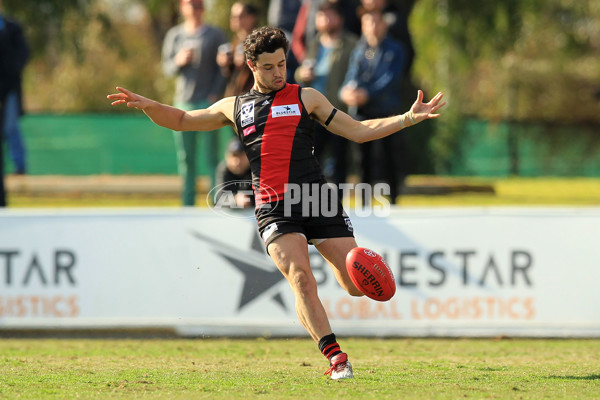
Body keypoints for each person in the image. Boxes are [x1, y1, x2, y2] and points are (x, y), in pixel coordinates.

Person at [108, 26, 445, 379]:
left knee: (354, 285)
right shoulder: (234, 106)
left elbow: (358, 131)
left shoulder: (307, 98)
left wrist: (408, 118)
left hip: (317, 200)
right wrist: (149, 106)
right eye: (268, 67)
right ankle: (336, 358)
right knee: (301, 277)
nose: (278, 72)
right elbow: (181, 120)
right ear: (252, 65)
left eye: (282, 64)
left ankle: (335, 291)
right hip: (274, 207)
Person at [162, 0, 228, 206]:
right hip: (183, 102)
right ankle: (187, 204)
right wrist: (178, 61)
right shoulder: (175, 35)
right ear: (183, 7)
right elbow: (166, 67)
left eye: (199, 4)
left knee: (212, 157)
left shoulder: (215, 34)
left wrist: (215, 94)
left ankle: (215, 203)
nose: (196, 8)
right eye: (191, 3)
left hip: (208, 104)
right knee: (186, 158)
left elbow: (224, 69)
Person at [340, 9, 408, 205]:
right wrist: (346, 92)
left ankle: (393, 199)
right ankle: (365, 203)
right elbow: (351, 77)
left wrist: (367, 94)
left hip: (386, 112)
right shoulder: (359, 50)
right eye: (367, 22)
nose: (372, 27)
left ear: (384, 25)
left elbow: (390, 80)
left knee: (389, 158)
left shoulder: (395, 49)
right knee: (363, 161)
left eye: (376, 22)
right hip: (363, 113)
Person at [294, 1, 358, 194]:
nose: (325, 20)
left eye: (330, 15)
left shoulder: (352, 44)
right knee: (313, 161)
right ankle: (313, 203)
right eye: (321, 16)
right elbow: (300, 71)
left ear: (340, 18)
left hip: (339, 112)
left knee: (340, 161)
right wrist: (301, 74)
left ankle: (337, 206)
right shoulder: (313, 43)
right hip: (314, 115)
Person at [0, 0, 29, 177]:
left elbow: (24, 52)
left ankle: (20, 167)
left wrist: (12, 71)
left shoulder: (13, 28)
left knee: (10, 127)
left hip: (9, 88)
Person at [217, 2, 259, 98]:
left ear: (252, 17)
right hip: (235, 97)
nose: (236, 20)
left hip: (254, 97)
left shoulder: (259, 41)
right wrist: (225, 63)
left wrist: (246, 59)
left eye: (241, 16)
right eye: (233, 16)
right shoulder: (234, 43)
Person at [214, 138, 254, 208]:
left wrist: (249, 200)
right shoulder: (224, 170)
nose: (237, 161)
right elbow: (219, 199)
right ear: (227, 157)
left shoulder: (255, 170)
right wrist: (235, 200)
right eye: (234, 156)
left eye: (241, 155)